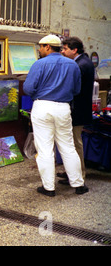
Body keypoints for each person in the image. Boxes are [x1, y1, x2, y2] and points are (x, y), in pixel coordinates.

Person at [23, 34, 88, 196]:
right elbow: (76, 90)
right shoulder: (72, 65)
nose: (39, 49)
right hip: (64, 108)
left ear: (47, 47)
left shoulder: (39, 64)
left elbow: (28, 88)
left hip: (42, 106)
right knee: (68, 147)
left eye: (40, 46)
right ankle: (79, 185)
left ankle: (49, 187)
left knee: (45, 149)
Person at [59, 37, 94, 184]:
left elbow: (73, 88)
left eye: (65, 49)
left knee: (75, 143)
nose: (62, 51)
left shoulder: (80, 65)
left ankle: (78, 176)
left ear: (74, 50)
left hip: (77, 111)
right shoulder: (83, 62)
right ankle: (72, 172)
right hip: (79, 109)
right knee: (72, 143)